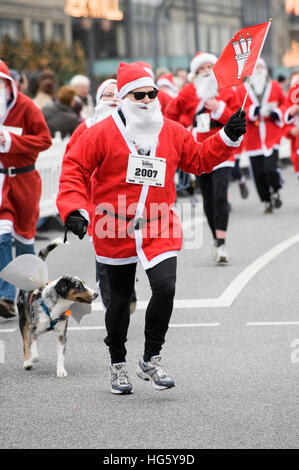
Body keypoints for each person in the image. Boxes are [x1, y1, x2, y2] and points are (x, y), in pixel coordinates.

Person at [56, 61, 246, 395]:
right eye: (138, 94)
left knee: (166, 288)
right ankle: (117, 364)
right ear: (125, 97)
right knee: (119, 301)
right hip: (114, 226)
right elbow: (74, 169)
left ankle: (151, 357)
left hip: (159, 223)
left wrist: (227, 136)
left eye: (151, 93)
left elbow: (199, 159)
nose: (146, 100)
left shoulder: (170, 130)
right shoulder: (100, 132)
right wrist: (74, 209)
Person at [64, 78, 138, 312]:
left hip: (128, 203)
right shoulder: (85, 129)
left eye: (118, 94)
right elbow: (71, 164)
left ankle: (128, 289)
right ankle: (112, 306)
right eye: (108, 95)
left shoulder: (135, 127)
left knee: (128, 248)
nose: (114, 99)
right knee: (103, 252)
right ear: (98, 101)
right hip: (96, 203)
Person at [165, 52, 240, 263]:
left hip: (223, 144)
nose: (206, 71)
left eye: (210, 67)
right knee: (208, 197)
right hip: (197, 147)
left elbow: (237, 120)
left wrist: (220, 109)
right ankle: (216, 239)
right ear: (195, 73)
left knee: (219, 194)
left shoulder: (226, 90)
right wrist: (184, 127)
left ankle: (222, 242)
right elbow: (169, 117)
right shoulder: (187, 92)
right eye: (202, 68)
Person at [0, 60, 52, 318]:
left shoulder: (26, 106)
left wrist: (11, 140)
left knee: (23, 239)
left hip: (23, 180)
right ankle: (6, 297)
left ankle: (32, 293)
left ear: (7, 84)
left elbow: (45, 140)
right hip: (0, 183)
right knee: (2, 234)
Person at [235, 58, 286, 214]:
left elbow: (284, 104)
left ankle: (276, 188)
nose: (258, 70)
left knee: (270, 169)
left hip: (272, 135)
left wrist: (277, 113)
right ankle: (266, 201)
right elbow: (238, 109)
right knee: (258, 174)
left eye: (261, 67)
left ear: (265, 69)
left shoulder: (275, 86)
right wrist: (255, 111)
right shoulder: (242, 90)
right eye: (255, 67)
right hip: (253, 138)